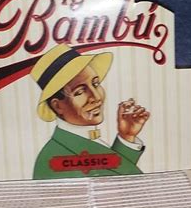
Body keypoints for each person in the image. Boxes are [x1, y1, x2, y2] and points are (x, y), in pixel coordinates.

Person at [30, 44, 150, 179]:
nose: (96, 97)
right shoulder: (51, 157)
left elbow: (112, 172)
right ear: (58, 106)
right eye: (80, 91)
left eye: (95, 84)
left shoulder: (79, 142)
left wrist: (126, 136)